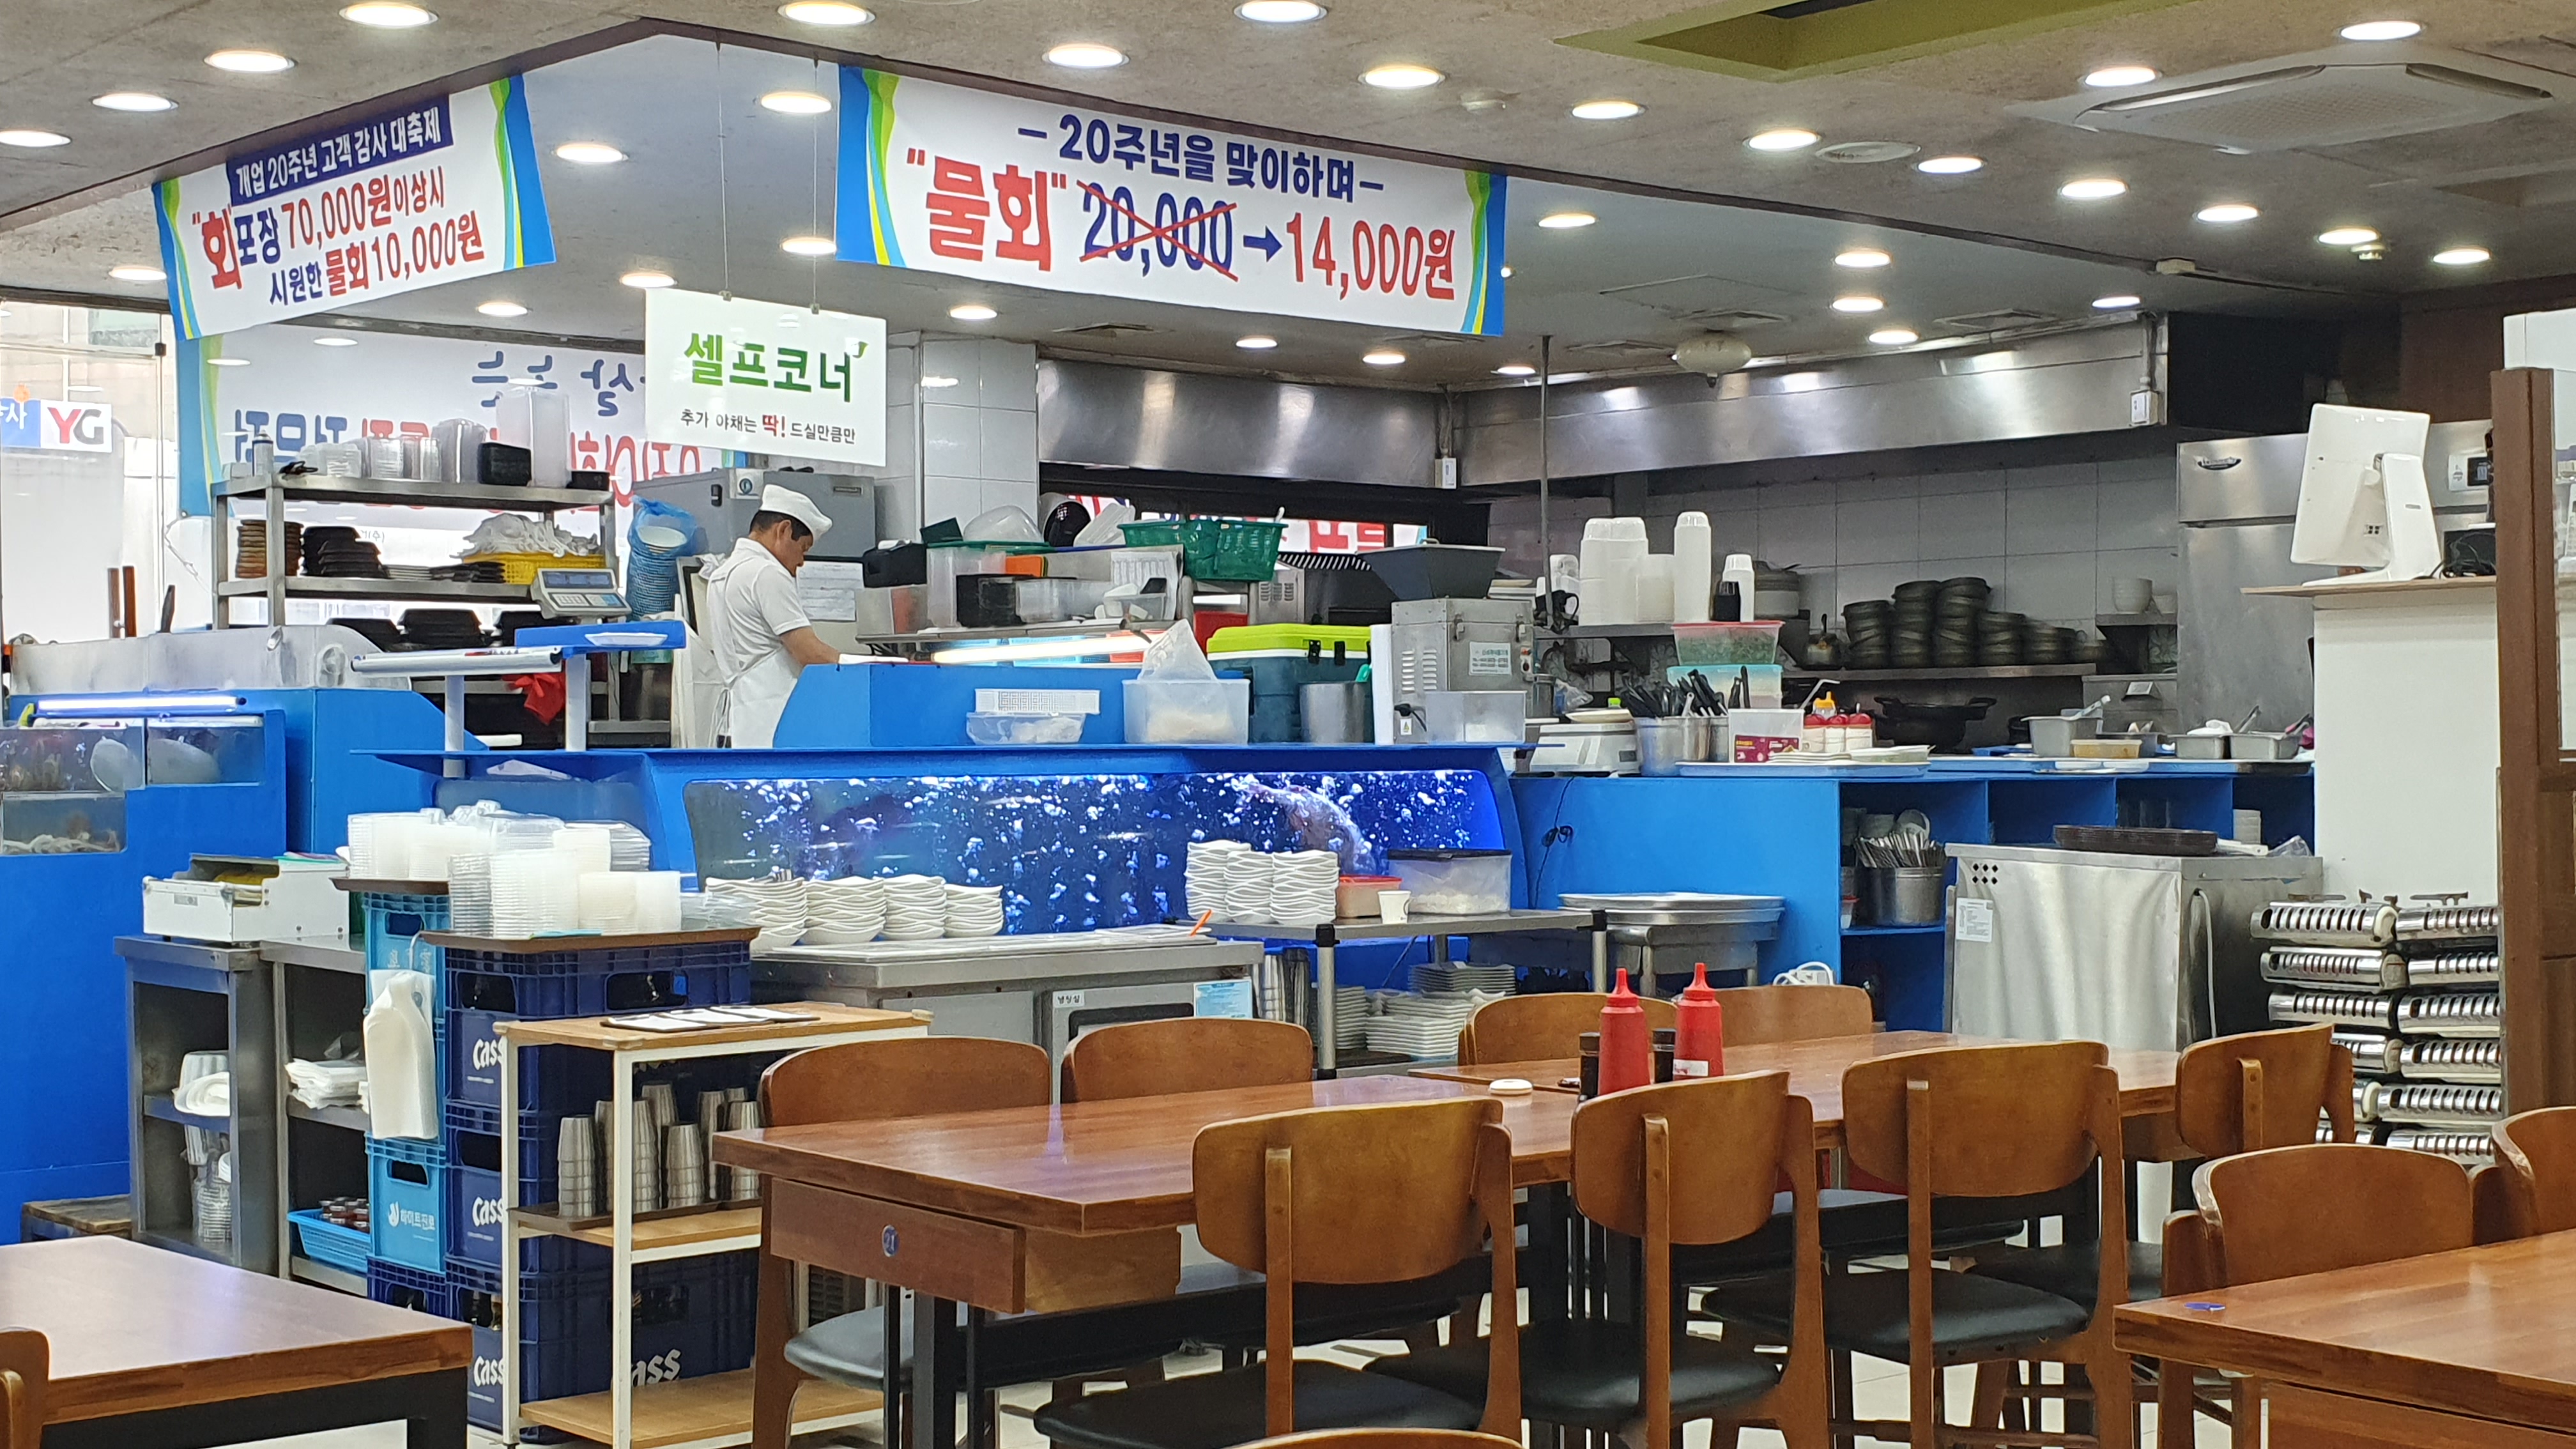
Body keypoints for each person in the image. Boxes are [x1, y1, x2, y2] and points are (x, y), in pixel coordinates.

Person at [703, 484, 841, 747]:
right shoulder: (767, 573)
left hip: (742, 722)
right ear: (784, 530)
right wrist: (868, 667)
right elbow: (810, 654)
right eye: (803, 548)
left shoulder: (721, 574)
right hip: (777, 721)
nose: (801, 562)